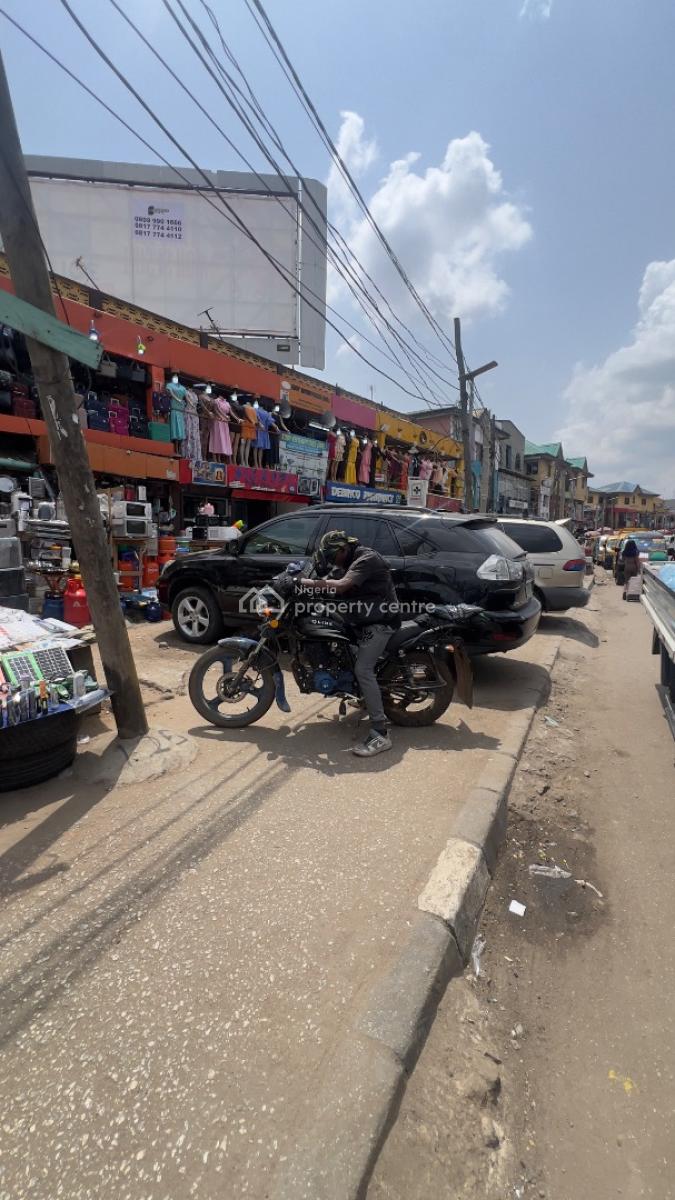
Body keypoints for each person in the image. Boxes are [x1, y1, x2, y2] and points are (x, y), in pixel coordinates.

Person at [300, 529, 400, 757]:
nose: (332, 560)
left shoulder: (367, 559)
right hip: (361, 617)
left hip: (380, 622)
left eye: (332, 556)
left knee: (363, 669)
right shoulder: (347, 558)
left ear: (343, 550)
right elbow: (328, 577)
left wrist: (303, 583)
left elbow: (343, 585)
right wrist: (302, 576)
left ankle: (380, 732)